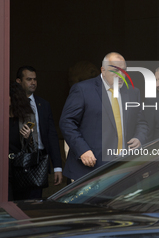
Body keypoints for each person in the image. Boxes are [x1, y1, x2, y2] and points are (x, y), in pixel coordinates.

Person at [60, 52, 148, 181]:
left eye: (124, 70)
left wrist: (139, 137)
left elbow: (141, 122)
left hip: (124, 167)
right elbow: (67, 122)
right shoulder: (83, 89)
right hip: (90, 167)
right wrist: (83, 150)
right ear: (103, 70)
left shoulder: (133, 92)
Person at [16, 66, 63, 198]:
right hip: (19, 160)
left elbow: (52, 136)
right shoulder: (11, 103)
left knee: (35, 201)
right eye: (29, 79)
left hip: (39, 159)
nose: (33, 83)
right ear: (19, 81)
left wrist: (57, 167)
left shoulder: (43, 104)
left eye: (35, 79)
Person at [8, 82, 36, 200]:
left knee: (20, 201)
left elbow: (35, 146)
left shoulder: (27, 116)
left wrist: (28, 137)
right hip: (1, 164)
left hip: (20, 165)